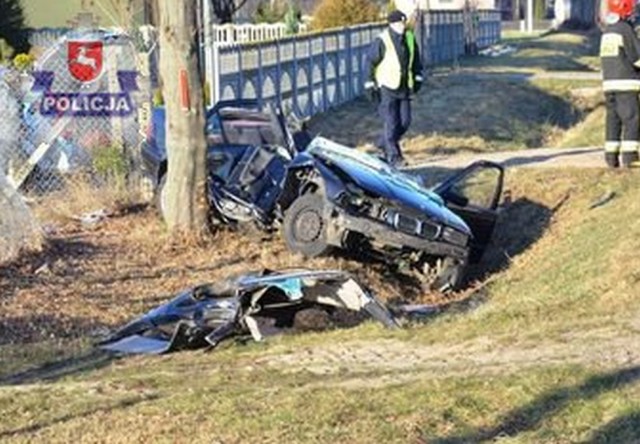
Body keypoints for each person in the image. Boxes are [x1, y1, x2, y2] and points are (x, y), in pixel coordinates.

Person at [364, 10, 424, 167]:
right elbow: (370, 62)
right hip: (387, 87)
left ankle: (383, 142)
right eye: (399, 23)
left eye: (403, 23)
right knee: (391, 123)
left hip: (404, 88)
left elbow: (416, 60)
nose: (402, 26)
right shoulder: (382, 40)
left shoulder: (409, 38)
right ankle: (395, 157)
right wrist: (369, 83)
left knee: (405, 122)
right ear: (391, 24)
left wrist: (418, 78)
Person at [600, 0, 640, 168]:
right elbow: (636, 57)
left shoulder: (608, 31)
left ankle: (611, 156)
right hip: (626, 84)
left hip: (609, 84)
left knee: (613, 120)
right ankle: (630, 156)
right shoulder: (625, 30)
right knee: (632, 119)